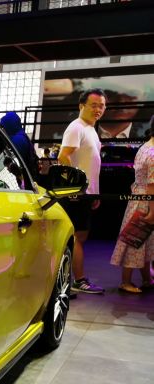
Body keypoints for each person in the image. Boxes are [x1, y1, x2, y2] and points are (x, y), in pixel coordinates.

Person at [58, 88, 106, 295]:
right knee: (75, 237)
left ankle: (69, 282)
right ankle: (77, 280)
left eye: (102, 106)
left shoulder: (91, 129)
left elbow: (92, 164)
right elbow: (63, 156)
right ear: (81, 106)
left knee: (80, 236)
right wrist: (76, 187)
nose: (98, 109)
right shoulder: (76, 127)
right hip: (76, 194)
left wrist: (95, 192)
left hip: (86, 194)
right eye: (94, 105)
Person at [110, 114, 154, 293]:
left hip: (138, 198)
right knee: (135, 241)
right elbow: (152, 186)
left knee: (143, 242)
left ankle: (147, 279)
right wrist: (152, 211)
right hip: (145, 201)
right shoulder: (152, 152)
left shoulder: (145, 147)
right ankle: (126, 282)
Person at [0, 111, 38, 183]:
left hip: (26, 178)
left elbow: (19, 161)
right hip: (30, 175)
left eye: (3, 127)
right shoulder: (21, 136)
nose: (3, 130)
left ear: (9, 126)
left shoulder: (17, 140)